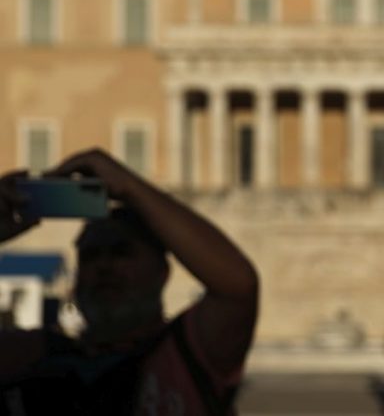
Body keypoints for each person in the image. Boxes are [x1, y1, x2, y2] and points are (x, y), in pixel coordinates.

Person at [0, 148, 260, 415]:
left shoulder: (187, 354)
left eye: (121, 252)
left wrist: (131, 188)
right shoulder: (31, 357)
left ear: (162, 272)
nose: (104, 266)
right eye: (90, 255)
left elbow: (237, 288)